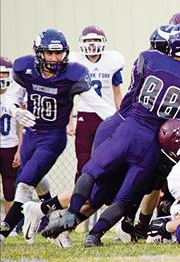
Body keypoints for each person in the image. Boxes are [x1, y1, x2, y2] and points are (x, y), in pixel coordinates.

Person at [40, 22, 180, 247]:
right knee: (124, 198)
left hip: (128, 128)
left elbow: (153, 80)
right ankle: (94, 236)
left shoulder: (150, 58)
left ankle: (71, 214)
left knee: (92, 173)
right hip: (153, 142)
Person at [0, 29, 115, 245]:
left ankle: (3, 233)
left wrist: (119, 120)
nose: (55, 58)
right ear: (39, 53)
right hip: (30, 133)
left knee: (24, 184)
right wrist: (16, 111)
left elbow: (98, 104)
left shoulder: (71, 75)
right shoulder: (26, 69)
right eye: (50, 54)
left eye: (59, 53)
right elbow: (10, 98)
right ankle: (54, 219)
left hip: (52, 137)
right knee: (34, 177)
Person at [68, 25, 125, 179]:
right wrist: (70, 122)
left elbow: (117, 94)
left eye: (95, 40)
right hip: (85, 115)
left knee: (108, 159)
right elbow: (69, 96)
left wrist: (122, 118)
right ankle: (79, 199)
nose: (92, 44)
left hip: (107, 117)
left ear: (103, 42)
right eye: (88, 40)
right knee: (83, 160)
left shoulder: (112, 61)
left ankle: (102, 197)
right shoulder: (75, 62)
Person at [0, 57, 22, 215]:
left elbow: (21, 125)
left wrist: (20, 149)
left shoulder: (16, 94)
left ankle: (8, 225)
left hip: (10, 145)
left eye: (4, 73)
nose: (2, 77)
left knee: (9, 188)